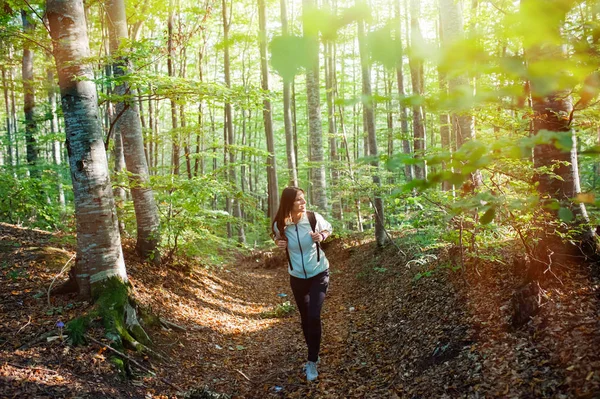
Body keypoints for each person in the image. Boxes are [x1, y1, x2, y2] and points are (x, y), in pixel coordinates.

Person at [272, 187, 332, 382]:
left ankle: (312, 361)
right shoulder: (281, 223)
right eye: (298, 200)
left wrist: (321, 236)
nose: (303, 202)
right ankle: (313, 351)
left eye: (303, 199)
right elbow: (276, 237)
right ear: (289, 203)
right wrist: (278, 243)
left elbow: (328, 228)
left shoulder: (313, 218)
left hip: (319, 273)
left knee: (314, 316)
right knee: (306, 318)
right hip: (297, 277)